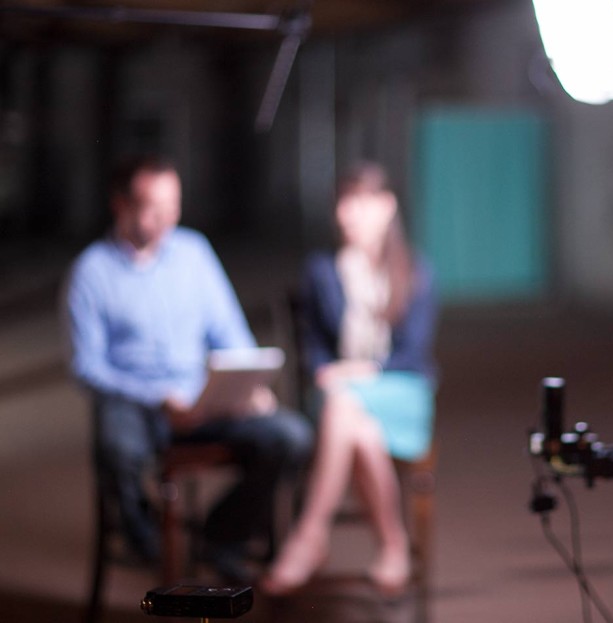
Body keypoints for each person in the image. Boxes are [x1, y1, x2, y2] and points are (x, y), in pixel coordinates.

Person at [63, 154, 312, 583]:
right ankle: (150, 542)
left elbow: (229, 330)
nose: (168, 219)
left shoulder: (193, 253)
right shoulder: (91, 272)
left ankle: (222, 536)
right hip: (139, 403)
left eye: (173, 206)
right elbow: (87, 366)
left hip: (202, 398)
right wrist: (158, 398)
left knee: (290, 438)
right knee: (117, 446)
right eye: (154, 208)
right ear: (120, 205)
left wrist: (246, 382)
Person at [261, 161, 438, 596]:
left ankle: (310, 535)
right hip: (338, 395)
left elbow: (413, 353)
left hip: (401, 391)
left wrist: (363, 371)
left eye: (359, 202)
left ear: (387, 206)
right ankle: (393, 546)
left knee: (347, 408)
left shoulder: (415, 270)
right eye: (343, 203)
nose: (347, 214)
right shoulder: (323, 270)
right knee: (358, 427)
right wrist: (329, 371)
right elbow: (313, 348)